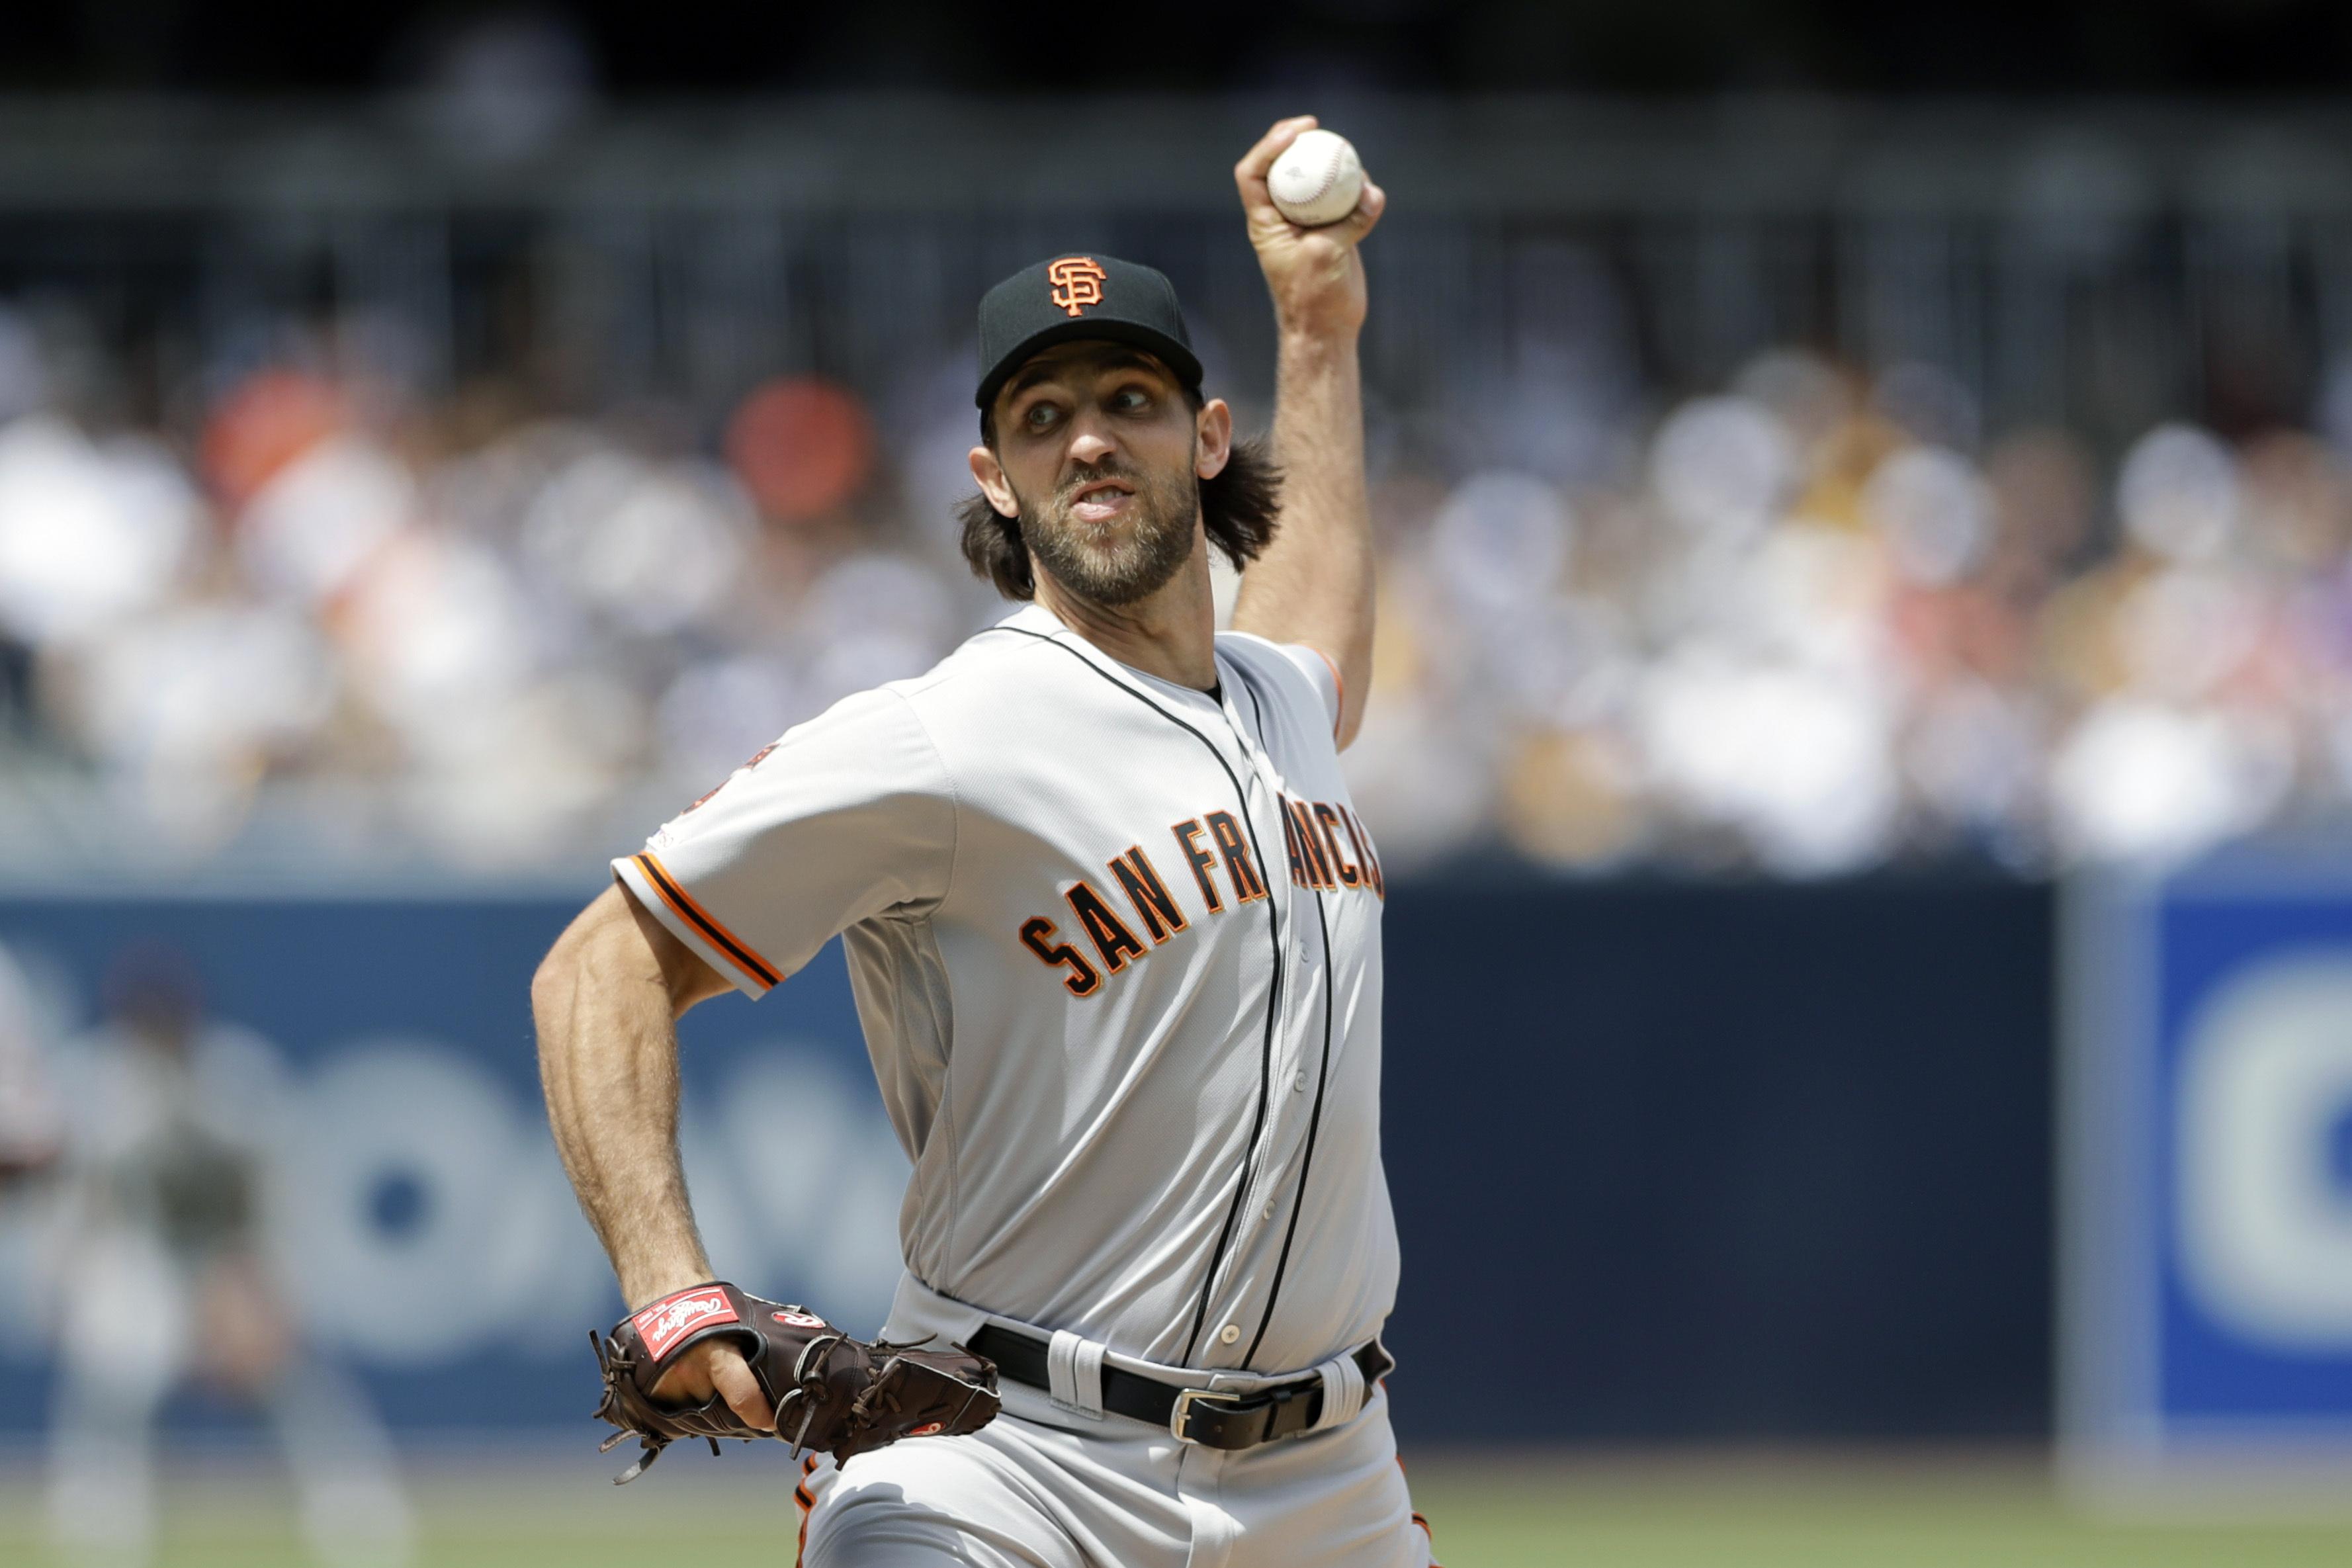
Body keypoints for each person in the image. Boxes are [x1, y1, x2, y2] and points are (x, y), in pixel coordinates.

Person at [535, 115, 1428, 1566]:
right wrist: (668, 1288)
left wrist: (1315, 329)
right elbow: (597, 967)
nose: (1087, 435)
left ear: (1207, 442)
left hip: (1325, 1481)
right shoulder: (948, 736)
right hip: (1006, 1458)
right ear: (996, 480)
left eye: (1131, 397)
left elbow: (1317, 618)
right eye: (1040, 417)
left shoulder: (1279, 702)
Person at [44, 945, 413, 1568]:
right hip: (140, 1254)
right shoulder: (93, 1081)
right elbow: (82, 1205)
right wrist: (68, 1283)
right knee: (117, 1376)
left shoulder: (235, 1076)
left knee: (295, 1379)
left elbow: (278, 1197)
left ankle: (355, 1512)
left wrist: (259, 1287)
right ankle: (98, 1522)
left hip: (230, 1250)